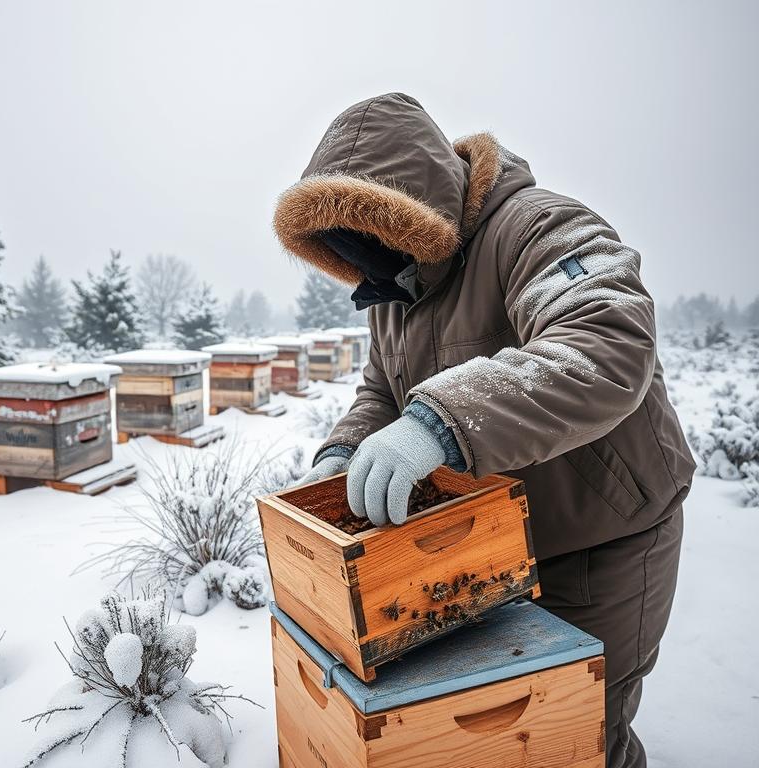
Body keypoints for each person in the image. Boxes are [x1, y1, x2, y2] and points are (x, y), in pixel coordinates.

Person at [273, 93, 694, 768]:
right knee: (506, 738)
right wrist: (343, 453)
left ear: (414, 202)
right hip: (488, 549)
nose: (366, 252)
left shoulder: (536, 226)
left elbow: (607, 339)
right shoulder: (397, 288)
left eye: (373, 227)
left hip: (602, 534)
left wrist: (441, 423)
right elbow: (382, 387)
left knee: (583, 728)